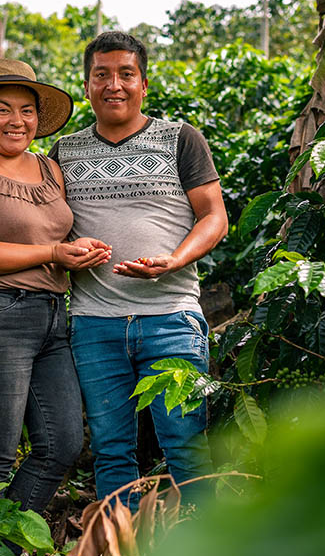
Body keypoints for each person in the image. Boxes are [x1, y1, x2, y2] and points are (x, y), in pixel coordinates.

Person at [49, 31, 228, 508]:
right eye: (101, 75)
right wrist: (66, 248)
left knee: (186, 449)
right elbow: (46, 226)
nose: (114, 84)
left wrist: (175, 259)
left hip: (171, 318)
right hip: (93, 325)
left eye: (126, 74)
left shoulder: (180, 139)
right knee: (110, 452)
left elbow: (214, 216)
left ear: (143, 84)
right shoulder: (63, 152)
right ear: (86, 86)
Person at [0, 58, 112, 524]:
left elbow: (47, 235)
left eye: (27, 110)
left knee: (61, 446)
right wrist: (55, 252)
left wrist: (78, 250)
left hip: (53, 317)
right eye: (3, 109)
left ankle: (2, 552)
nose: (18, 121)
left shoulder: (49, 169)